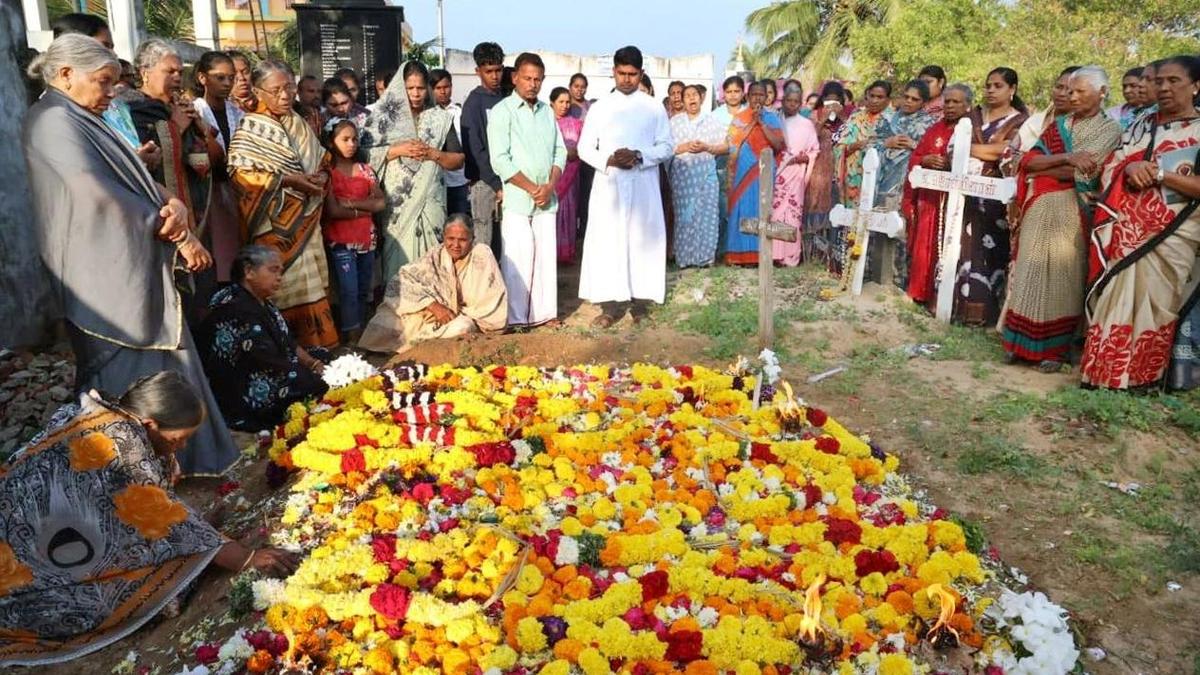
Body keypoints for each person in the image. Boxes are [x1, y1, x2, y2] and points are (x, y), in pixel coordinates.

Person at [22, 35, 237, 477]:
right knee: (123, 375)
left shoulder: (80, 114)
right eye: (103, 82)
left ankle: (182, 460)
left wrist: (167, 200)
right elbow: (93, 194)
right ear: (66, 74)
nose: (110, 93)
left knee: (169, 360)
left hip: (130, 257)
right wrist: (167, 225)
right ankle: (127, 472)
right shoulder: (50, 121)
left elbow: (132, 175)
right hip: (101, 272)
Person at [0, 371, 299, 667]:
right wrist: (247, 558)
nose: (180, 447)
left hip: (37, 529)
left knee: (176, 565)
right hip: (19, 565)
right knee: (148, 594)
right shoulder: (120, 444)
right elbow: (171, 521)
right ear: (150, 424)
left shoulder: (108, 414)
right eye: (177, 439)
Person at [1082, 55, 1200, 391]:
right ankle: (1100, 375)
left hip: (1174, 237)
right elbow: (1111, 166)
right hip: (1124, 232)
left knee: (1157, 306)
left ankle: (1139, 381)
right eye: (1158, 80)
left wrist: (1162, 175)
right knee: (1114, 297)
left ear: (1196, 86)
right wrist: (1129, 169)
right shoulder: (1139, 125)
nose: (1162, 87)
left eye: (1173, 81)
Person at [1000, 66, 1121, 371]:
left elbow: (1084, 172)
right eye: (1070, 90)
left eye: (1080, 91)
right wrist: (1066, 157)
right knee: (1030, 271)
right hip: (1039, 207)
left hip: (1073, 210)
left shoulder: (1109, 130)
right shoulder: (1059, 125)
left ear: (1102, 93)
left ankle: (1054, 351)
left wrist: (1047, 168)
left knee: (1064, 278)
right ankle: (1018, 344)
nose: (1072, 96)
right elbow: (1028, 161)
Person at [227, 59, 338, 349]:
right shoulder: (250, 128)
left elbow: (324, 159)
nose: (285, 95)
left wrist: (321, 176)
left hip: (308, 221)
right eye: (276, 90)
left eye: (289, 87)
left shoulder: (299, 122)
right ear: (258, 91)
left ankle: (318, 349)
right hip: (273, 227)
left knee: (311, 279)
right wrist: (289, 181)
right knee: (277, 284)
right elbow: (241, 175)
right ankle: (283, 347)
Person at [577, 45, 674, 327]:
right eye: (622, 73)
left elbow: (667, 146)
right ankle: (608, 307)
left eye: (633, 74)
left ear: (641, 73)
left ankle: (640, 304)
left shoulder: (653, 107)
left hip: (643, 185)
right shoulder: (600, 108)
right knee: (607, 242)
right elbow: (584, 148)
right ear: (613, 72)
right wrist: (609, 159)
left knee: (642, 242)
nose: (627, 79)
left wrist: (640, 156)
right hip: (609, 186)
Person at [197, 246, 330, 430]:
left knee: (325, 357)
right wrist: (305, 372)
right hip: (245, 383)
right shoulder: (233, 308)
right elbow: (261, 360)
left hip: (273, 364)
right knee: (309, 382)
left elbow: (287, 341)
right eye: (273, 270)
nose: (279, 277)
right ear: (249, 272)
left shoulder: (263, 303)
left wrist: (313, 363)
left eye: (281, 271)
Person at [360, 61, 464, 282]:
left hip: (432, 202)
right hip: (398, 208)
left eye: (420, 88)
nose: (416, 94)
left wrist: (432, 153)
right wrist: (396, 150)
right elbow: (362, 157)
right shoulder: (383, 119)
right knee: (399, 263)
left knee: (432, 263)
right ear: (400, 87)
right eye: (410, 88)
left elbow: (458, 160)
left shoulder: (439, 118)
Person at [488, 52, 567, 328]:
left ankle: (544, 315)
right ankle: (516, 318)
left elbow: (560, 152)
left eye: (538, 79)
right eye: (527, 78)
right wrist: (533, 188)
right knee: (518, 260)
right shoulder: (502, 112)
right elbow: (500, 160)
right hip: (519, 199)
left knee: (545, 258)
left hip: (547, 198)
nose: (533, 84)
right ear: (515, 78)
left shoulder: (547, 112)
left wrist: (550, 185)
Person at [359, 215, 507, 353]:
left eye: (462, 240)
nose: (455, 245)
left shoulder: (481, 254)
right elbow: (404, 279)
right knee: (386, 319)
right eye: (451, 238)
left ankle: (427, 348)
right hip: (433, 315)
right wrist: (432, 305)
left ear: (472, 239)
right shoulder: (436, 254)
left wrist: (452, 312)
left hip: (465, 318)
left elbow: (487, 303)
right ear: (443, 237)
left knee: (462, 328)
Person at [957, 67, 1028, 326]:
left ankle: (986, 315)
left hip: (997, 199)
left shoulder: (1020, 121)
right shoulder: (972, 117)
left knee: (991, 252)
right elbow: (954, 146)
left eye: (998, 85)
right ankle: (961, 310)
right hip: (966, 197)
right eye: (988, 85)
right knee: (964, 247)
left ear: (1012, 90)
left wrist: (969, 149)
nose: (990, 90)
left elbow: (1007, 151)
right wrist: (983, 150)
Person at [902, 84, 973, 309]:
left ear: (968, 105)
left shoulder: (971, 129)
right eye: (947, 101)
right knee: (924, 246)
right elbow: (917, 155)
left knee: (952, 249)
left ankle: (941, 300)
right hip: (929, 199)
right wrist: (924, 161)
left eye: (956, 102)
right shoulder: (934, 129)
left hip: (957, 202)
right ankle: (918, 292)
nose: (950, 106)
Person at [49, 13, 151, 160]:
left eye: (112, 47)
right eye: (104, 46)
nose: (113, 54)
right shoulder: (58, 118)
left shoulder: (113, 104)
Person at [322, 118, 386, 344]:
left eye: (355, 139)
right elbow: (332, 210)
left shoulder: (365, 170)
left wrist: (348, 204)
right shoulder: (327, 173)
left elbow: (380, 203)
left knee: (362, 290)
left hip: (366, 240)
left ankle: (361, 337)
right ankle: (351, 338)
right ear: (331, 142)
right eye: (345, 139)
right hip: (340, 241)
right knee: (348, 291)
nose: (351, 144)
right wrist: (364, 207)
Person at [190, 51, 244, 288]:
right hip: (208, 191)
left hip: (237, 189)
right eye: (219, 77)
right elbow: (202, 158)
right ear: (202, 78)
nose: (226, 84)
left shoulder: (238, 113)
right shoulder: (194, 112)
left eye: (230, 78)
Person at [724, 79, 786, 266]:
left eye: (761, 94)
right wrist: (751, 123)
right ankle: (738, 255)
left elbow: (778, 144)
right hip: (743, 168)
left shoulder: (773, 117)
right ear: (747, 96)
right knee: (742, 207)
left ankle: (760, 255)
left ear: (766, 97)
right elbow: (732, 144)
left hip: (764, 169)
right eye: (754, 95)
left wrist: (761, 123)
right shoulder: (739, 118)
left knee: (761, 208)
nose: (758, 98)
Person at [669, 84, 728, 268]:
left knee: (707, 216)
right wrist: (683, 147)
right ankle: (685, 259)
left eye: (695, 94)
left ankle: (705, 258)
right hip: (683, 180)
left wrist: (707, 148)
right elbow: (665, 148)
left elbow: (727, 146)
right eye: (687, 95)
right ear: (682, 100)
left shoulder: (712, 121)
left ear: (701, 98)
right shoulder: (674, 123)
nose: (692, 98)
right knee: (685, 217)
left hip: (706, 178)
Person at [461, 42, 506, 253]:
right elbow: (475, 149)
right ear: (478, 71)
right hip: (484, 181)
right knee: (483, 243)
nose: (495, 76)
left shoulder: (506, 98)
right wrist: (495, 183)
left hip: (508, 179)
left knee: (504, 242)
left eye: (498, 70)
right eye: (489, 71)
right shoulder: (473, 103)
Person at [771, 85, 820, 267]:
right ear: (782, 102)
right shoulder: (775, 121)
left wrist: (803, 157)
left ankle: (791, 257)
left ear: (800, 104)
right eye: (788, 101)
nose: (792, 105)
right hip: (776, 173)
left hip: (796, 176)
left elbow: (814, 151)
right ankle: (775, 255)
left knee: (792, 214)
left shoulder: (806, 125)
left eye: (795, 102)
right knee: (775, 213)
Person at [874, 80, 935, 209]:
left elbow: (933, 154)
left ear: (923, 103)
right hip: (881, 178)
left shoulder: (929, 124)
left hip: (909, 184)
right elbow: (869, 145)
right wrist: (886, 143)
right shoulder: (887, 119)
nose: (908, 101)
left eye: (914, 99)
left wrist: (914, 145)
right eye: (906, 97)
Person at [834, 80, 894, 209]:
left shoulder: (893, 121)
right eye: (872, 96)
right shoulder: (856, 117)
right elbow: (839, 146)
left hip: (879, 180)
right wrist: (853, 146)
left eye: (880, 97)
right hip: (853, 178)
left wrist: (870, 145)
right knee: (851, 223)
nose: (874, 100)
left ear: (888, 100)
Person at [711, 76, 747, 252]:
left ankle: (741, 249)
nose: (733, 95)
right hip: (722, 164)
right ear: (723, 93)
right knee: (723, 209)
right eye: (729, 92)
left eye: (736, 91)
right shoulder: (715, 115)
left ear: (743, 93)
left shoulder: (750, 113)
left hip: (746, 165)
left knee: (743, 206)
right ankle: (723, 250)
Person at [1012, 66, 1080, 157]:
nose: (1062, 94)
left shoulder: (1084, 128)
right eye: (1059, 87)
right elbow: (1009, 154)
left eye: (1070, 91)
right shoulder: (1034, 120)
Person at [551, 86, 584, 262]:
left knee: (570, 212)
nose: (564, 105)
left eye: (567, 102)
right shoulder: (545, 123)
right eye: (560, 102)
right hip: (551, 176)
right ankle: (551, 253)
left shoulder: (577, 124)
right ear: (552, 103)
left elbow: (585, 147)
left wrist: (575, 152)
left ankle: (566, 252)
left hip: (571, 178)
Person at [431, 68, 470, 216]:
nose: (443, 91)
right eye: (438, 88)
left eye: (446, 87)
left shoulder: (460, 113)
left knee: (458, 220)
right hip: (435, 180)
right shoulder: (428, 114)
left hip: (458, 179)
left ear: (451, 87)